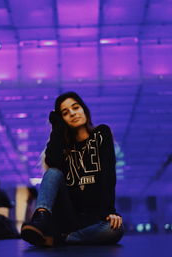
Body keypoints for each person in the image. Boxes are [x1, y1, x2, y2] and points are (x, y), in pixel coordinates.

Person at [21, 92, 124, 247]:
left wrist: (110, 211)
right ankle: (41, 218)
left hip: (93, 219)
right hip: (67, 215)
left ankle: (60, 239)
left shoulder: (101, 133)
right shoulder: (62, 146)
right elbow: (52, 163)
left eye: (76, 107)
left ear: (84, 109)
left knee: (115, 229)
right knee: (53, 172)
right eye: (65, 113)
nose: (72, 113)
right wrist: (57, 127)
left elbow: (108, 175)